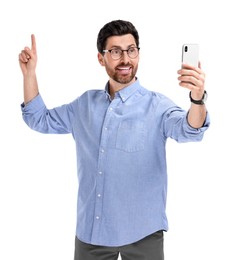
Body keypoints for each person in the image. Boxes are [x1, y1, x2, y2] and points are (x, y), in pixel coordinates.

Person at [19, 20, 210, 260]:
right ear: (101, 58)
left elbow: (190, 129)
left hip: (144, 234)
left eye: (131, 50)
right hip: (92, 233)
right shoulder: (84, 105)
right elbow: (39, 120)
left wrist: (197, 99)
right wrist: (29, 74)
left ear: (138, 54)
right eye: (116, 52)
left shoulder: (157, 106)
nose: (125, 59)